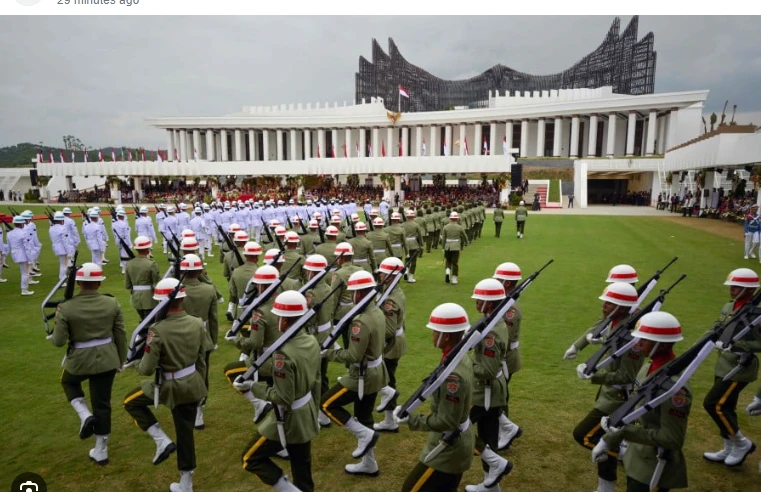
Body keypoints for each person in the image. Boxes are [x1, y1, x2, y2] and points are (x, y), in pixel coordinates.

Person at [123, 277, 211, 492]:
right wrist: (201, 384)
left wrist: (134, 363)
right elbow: (202, 358)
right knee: (185, 433)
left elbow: (146, 369)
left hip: (169, 386)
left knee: (131, 402)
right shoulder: (197, 323)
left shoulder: (157, 330)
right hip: (192, 383)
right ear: (182, 298)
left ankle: (161, 440)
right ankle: (186, 482)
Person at [593, 311, 691, 492]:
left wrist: (624, 433)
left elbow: (672, 439)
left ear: (660, 345)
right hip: (638, 456)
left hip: (655, 465)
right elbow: (635, 407)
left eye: (643, 340)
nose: (637, 345)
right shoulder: (647, 368)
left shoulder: (675, 388)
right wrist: (610, 436)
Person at [234, 290, 321, 492]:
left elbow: (283, 397)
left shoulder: (283, 353)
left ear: (284, 319)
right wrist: (314, 412)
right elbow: (316, 381)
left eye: (279, 316)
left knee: (250, 458)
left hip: (289, 417)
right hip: (306, 411)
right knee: (302, 468)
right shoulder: (311, 340)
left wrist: (253, 386)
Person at [48, 262, 126, 465]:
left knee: (68, 381)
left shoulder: (66, 307)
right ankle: (101, 450)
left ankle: (84, 414)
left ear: (79, 282)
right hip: (108, 358)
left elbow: (58, 341)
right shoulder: (112, 303)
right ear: (99, 283)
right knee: (103, 404)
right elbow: (120, 334)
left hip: (80, 359)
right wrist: (121, 359)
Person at [395, 303, 475, 492]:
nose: (433, 335)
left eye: (435, 332)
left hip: (449, 448)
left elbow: (447, 419)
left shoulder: (453, 375)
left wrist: (412, 420)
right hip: (455, 442)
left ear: (445, 336)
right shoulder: (458, 357)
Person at [572, 282, 643, 492]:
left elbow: (626, 375)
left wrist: (594, 376)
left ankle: (628, 456)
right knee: (602, 438)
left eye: (608, 304)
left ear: (621, 308)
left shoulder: (630, 337)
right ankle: (605, 486)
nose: (603, 307)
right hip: (608, 394)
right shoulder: (614, 324)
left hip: (618, 399)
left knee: (584, 435)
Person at [321, 270, 387, 477]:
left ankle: (364, 435)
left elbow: (353, 355)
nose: (352, 297)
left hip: (362, 375)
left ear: (361, 293)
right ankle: (369, 463)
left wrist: (329, 353)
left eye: (354, 293)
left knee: (326, 404)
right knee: (363, 415)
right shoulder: (377, 311)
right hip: (376, 370)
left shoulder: (361, 321)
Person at [703, 268, 759, 467]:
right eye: (732, 286)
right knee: (727, 408)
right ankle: (728, 447)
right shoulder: (731, 305)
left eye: (737, 287)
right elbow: (719, 326)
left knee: (713, 404)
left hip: (740, 368)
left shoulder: (757, 314)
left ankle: (742, 443)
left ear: (749, 289)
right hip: (723, 364)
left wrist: (737, 344)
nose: (732, 290)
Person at [464, 279, 513, 492]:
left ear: (490, 304)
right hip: (491, 391)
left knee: (456, 426)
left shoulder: (492, 332)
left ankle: (496, 463)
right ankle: (492, 486)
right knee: (488, 435)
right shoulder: (492, 321)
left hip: (485, 390)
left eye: (480, 300)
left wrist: (465, 362)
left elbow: (487, 371)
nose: (476, 303)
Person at [178, 254, 220, 431]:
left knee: (182, 372)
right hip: (203, 335)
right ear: (200, 271)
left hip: (181, 335)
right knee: (202, 373)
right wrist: (214, 339)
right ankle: (199, 411)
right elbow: (214, 318)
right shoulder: (209, 289)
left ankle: (186, 406)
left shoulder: (177, 289)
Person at [301, 254, 337, 428]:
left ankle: (321, 411)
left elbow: (308, 319)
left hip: (315, 336)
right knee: (322, 374)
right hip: (327, 333)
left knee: (315, 376)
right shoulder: (328, 287)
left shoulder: (311, 293)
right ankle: (324, 409)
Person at [373, 257, 407, 432]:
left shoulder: (390, 300)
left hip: (390, 345)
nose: (380, 277)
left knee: (386, 380)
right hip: (394, 342)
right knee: (387, 378)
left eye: (383, 274)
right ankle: (389, 417)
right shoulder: (393, 292)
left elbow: (389, 330)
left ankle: (389, 420)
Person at [493, 262, 524, 450]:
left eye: (498, 279)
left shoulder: (510, 309)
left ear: (507, 283)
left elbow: (505, 337)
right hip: (500, 356)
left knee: (499, 395)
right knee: (498, 393)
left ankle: (505, 430)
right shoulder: (503, 301)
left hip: (504, 357)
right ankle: (502, 428)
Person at [328, 242, 362, 346]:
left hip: (344, 313)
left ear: (340, 258)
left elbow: (334, 296)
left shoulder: (338, 274)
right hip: (359, 309)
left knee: (348, 342)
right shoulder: (360, 270)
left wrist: (331, 316)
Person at [125, 236, 160, 320]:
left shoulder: (129, 263)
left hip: (136, 299)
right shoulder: (151, 264)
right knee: (150, 324)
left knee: (144, 321)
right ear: (148, 249)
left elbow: (127, 285)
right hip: (150, 299)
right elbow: (157, 284)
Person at [7, 215, 36, 295]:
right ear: (21, 224)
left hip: (15, 254)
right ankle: (24, 290)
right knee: (25, 273)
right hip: (23, 255)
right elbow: (26, 247)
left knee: (23, 272)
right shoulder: (23, 233)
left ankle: (24, 289)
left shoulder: (9, 233)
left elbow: (9, 246)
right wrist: (30, 259)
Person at [440, 211, 469, 285]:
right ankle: (454, 278)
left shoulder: (445, 227)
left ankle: (447, 272)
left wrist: (443, 247)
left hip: (447, 246)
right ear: (457, 219)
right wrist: (466, 242)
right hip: (456, 246)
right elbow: (464, 236)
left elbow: (443, 238)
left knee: (448, 261)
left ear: (450, 218)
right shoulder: (459, 227)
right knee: (455, 263)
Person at [401, 210, 424, 283]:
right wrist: (421, 244)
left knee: (407, 259)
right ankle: (410, 277)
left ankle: (406, 271)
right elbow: (420, 236)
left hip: (405, 244)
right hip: (414, 243)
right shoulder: (416, 225)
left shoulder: (402, 225)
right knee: (413, 261)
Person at [49, 211, 74, 280]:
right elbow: (65, 242)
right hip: (62, 248)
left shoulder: (51, 228)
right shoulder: (63, 228)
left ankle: (63, 277)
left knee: (62, 264)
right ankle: (62, 279)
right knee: (64, 265)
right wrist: (69, 252)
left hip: (55, 246)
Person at [112, 210, 132, 274]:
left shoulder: (114, 224)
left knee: (121, 252)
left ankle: (124, 267)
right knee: (125, 254)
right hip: (124, 240)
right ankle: (124, 268)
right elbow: (127, 235)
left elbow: (114, 233)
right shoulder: (124, 224)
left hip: (118, 240)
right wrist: (130, 243)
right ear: (123, 216)